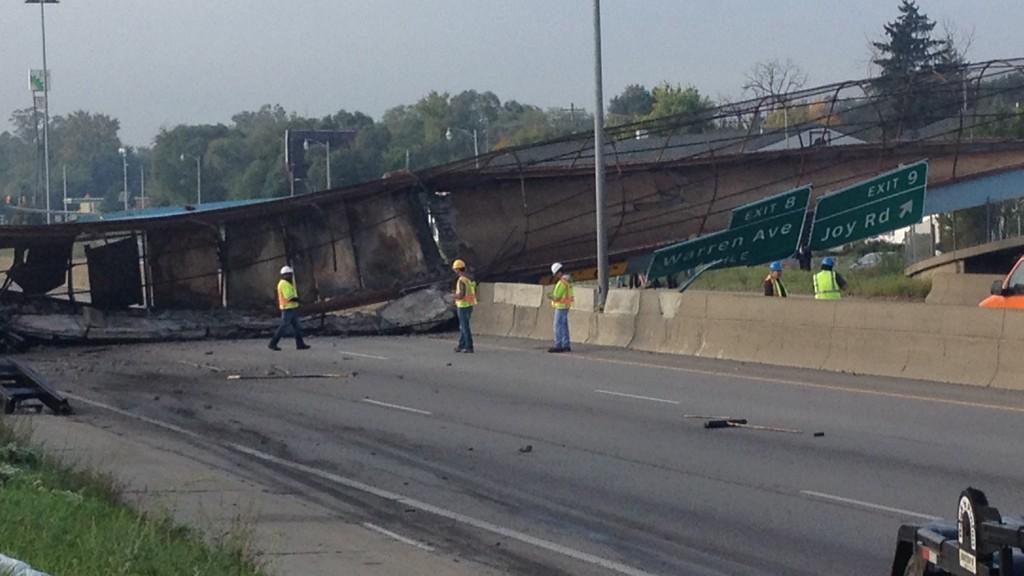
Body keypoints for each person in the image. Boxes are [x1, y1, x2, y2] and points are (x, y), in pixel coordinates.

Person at [268, 265, 310, 351]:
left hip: (291, 308)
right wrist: (300, 300)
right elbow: (289, 297)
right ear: (284, 275)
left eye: (291, 274)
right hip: (287, 309)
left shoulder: (286, 283)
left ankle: (300, 344)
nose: (290, 276)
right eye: (289, 274)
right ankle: (273, 343)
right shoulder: (284, 284)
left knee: (297, 327)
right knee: (283, 327)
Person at [547, 262, 574, 353]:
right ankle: (566, 344)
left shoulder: (562, 282)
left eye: (555, 274)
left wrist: (550, 296)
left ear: (559, 272)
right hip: (566, 306)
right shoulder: (567, 281)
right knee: (564, 326)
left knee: (558, 326)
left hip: (561, 307)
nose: (555, 276)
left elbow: (557, 296)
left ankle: (558, 345)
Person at [452, 259, 476, 353]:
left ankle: (469, 346)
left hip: (463, 306)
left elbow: (461, 295)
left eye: (455, 269)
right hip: (469, 305)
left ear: (458, 269)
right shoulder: (468, 279)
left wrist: (454, 296)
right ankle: (461, 345)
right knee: (463, 326)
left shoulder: (461, 280)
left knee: (464, 327)